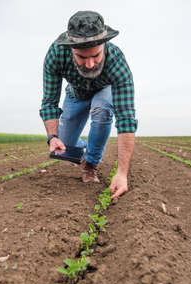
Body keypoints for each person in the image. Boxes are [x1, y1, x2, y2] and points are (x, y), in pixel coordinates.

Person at [39, 10, 137, 199]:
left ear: (104, 45)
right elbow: (49, 102)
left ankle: (90, 165)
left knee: (101, 110)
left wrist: (122, 173)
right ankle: (85, 147)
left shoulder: (117, 62)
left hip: (103, 90)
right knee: (65, 148)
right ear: (70, 50)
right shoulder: (56, 55)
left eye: (96, 56)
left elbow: (126, 118)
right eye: (82, 57)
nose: (90, 64)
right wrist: (52, 137)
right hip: (75, 94)